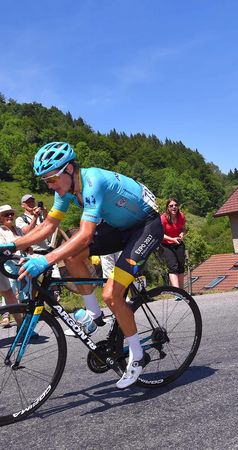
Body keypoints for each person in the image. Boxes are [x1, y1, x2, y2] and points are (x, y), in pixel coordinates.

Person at [0, 142, 163, 389]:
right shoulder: (64, 190)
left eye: (51, 179)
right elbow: (49, 226)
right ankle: (93, 314)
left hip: (146, 227)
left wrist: (45, 259)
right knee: (71, 256)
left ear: (68, 169)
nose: (49, 185)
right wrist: (12, 246)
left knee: (111, 294)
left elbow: (86, 235)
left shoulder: (93, 181)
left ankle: (137, 356)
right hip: (118, 227)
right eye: (45, 181)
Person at [160, 198, 186, 288]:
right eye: (171, 206)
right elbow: (160, 234)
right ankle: (177, 291)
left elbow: (183, 228)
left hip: (178, 243)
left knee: (181, 267)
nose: (174, 207)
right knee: (173, 267)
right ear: (167, 208)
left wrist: (182, 234)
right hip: (166, 245)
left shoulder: (181, 216)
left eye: (175, 205)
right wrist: (172, 239)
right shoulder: (163, 219)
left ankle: (182, 291)